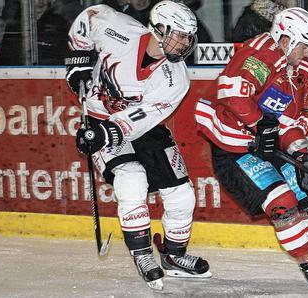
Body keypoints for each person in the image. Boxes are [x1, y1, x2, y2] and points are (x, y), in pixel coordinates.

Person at [194, 7, 308, 298]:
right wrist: (260, 125)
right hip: (235, 149)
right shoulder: (260, 56)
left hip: (269, 143)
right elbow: (232, 92)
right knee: (282, 203)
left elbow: (292, 119)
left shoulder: (302, 69)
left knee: (305, 195)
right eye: (304, 46)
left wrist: (303, 154)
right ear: (285, 39)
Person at [65, 1, 211, 291]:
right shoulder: (118, 29)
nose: (184, 43)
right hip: (99, 117)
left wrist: (107, 132)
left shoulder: (176, 77)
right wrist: (77, 62)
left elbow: (145, 117)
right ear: (158, 28)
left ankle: (174, 256)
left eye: (187, 37)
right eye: (178, 34)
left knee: (182, 194)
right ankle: (143, 254)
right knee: (131, 179)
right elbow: (89, 15)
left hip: (143, 127)